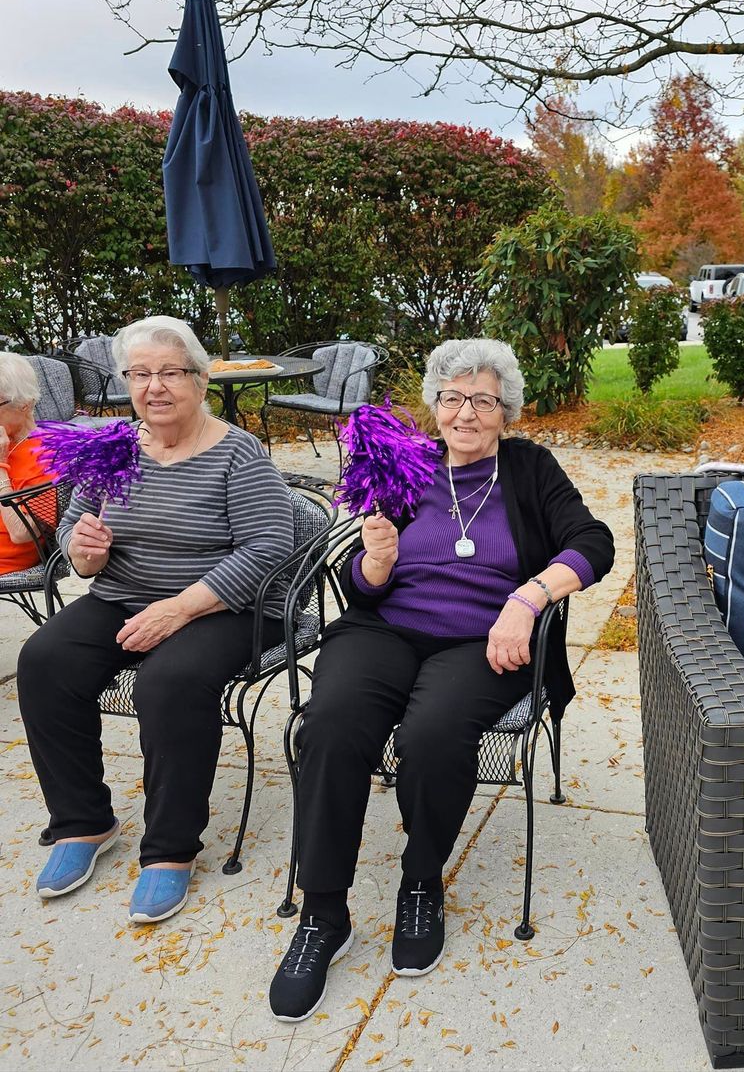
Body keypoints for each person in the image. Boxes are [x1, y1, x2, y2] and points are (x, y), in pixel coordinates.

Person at [268, 337, 615, 1022]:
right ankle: (323, 913)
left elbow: (593, 541)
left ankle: (421, 880)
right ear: (433, 405)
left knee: (431, 737)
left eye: (482, 400)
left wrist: (527, 599)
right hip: (384, 629)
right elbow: (357, 584)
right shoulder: (407, 464)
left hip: (483, 639)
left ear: (506, 410)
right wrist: (376, 561)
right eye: (452, 398)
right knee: (331, 727)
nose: (465, 413)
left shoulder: (529, 468)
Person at [18, 316, 293, 923]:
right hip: (124, 595)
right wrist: (84, 551)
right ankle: (84, 823)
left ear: (198, 379)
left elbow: (272, 544)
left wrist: (181, 607)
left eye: (170, 372)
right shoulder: (112, 448)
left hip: (229, 605)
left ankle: (169, 850)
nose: (155, 386)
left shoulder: (237, 451)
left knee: (167, 682)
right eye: (139, 374)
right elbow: (74, 535)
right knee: (43, 661)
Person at [0, 353, 54, 573]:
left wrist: (0, 469)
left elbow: (22, 533)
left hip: (8, 560)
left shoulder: (47, 455)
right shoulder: (6, 440)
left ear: (24, 404)